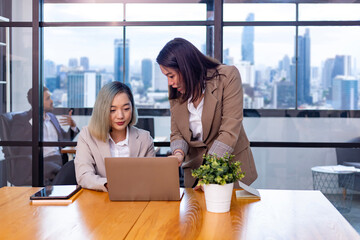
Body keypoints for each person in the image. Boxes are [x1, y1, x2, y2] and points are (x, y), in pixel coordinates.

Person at [156, 38, 258, 189]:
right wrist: (178, 153)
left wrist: (209, 173)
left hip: (230, 172)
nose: (170, 82)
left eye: (171, 75)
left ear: (186, 68)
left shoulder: (227, 77)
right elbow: (178, 132)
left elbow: (229, 131)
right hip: (196, 175)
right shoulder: (177, 92)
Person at [75, 81, 155, 192]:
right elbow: (83, 175)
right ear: (102, 111)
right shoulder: (87, 136)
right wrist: (109, 184)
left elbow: (151, 179)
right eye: (112, 110)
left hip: (136, 201)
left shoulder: (145, 139)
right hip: (99, 202)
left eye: (126, 109)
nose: (120, 116)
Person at [10, 86, 79, 185]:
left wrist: (73, 126)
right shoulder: (22, 119)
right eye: (48, 99)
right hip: (39, 162)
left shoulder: (52, 117)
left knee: (77, 167)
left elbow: (63, 140)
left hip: (58, 161)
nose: (51, 101)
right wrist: (36, 121)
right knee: (69, 172)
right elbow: (17, 144)